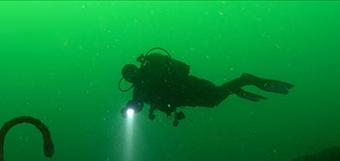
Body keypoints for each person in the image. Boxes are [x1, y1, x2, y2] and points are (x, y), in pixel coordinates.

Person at [119, 48, 294, 127]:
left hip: (189, 87)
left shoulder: (150, 73)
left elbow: (149, 92)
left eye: (131, 74)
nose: (132, 78)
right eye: (129, 78)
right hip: (186, 97)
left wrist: (134, 104)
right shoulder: (139, 90)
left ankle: (243, 80)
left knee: (214, 98)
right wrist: (130, 108)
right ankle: (236, 86)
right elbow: (138, 104)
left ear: (135, 70)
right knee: (214, 100)